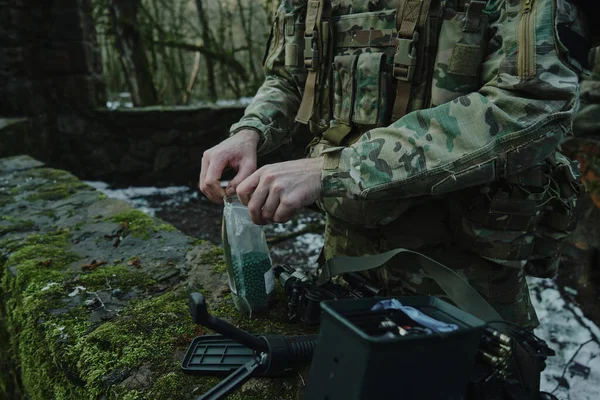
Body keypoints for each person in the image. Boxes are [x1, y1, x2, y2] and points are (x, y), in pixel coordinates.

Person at [200, 0, 589, 331]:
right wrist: (251, 130)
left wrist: (339, 169)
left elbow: (532, 104)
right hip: (346, 255)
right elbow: (288, 76)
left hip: (464, 270)